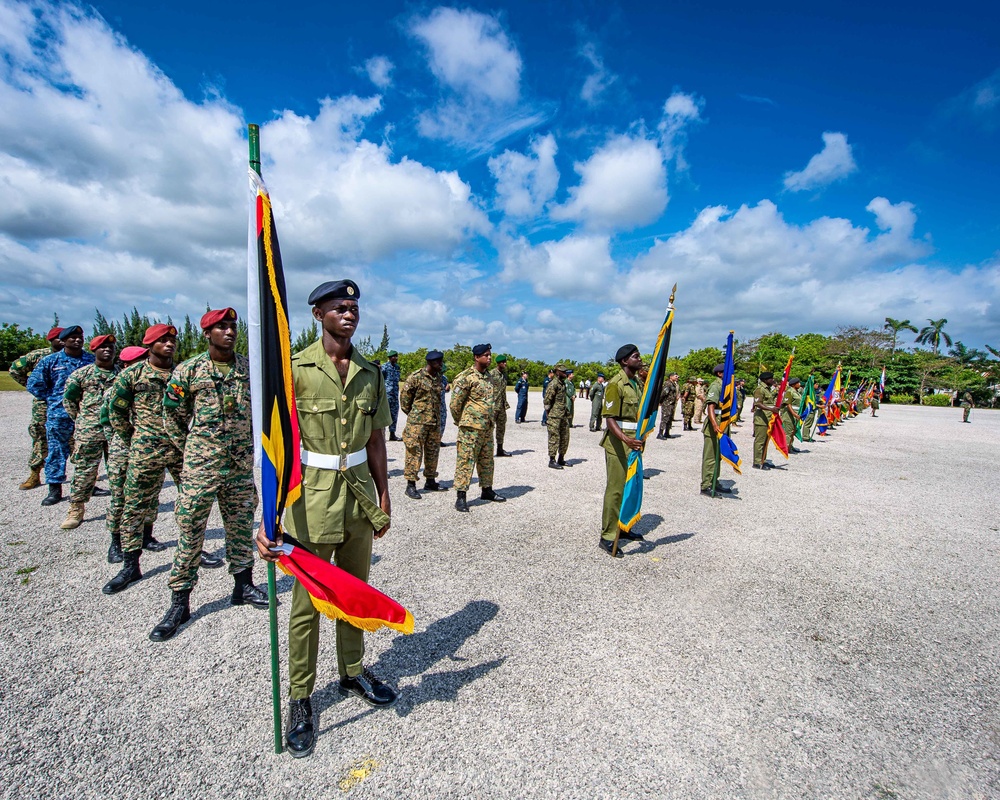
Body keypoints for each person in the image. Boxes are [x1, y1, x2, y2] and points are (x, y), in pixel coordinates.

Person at [255, 279, 396, 760]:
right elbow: (275, 448)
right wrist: (267, 516)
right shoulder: (294, 370)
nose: (349, 314)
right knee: (306, 605)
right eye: (340, 307)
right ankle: (300, 697)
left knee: (354, 592)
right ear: (318, 314)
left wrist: (384, 494)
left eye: (354, 307)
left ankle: (353, 670)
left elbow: (376, 439)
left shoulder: (370, 372)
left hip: (358, 499)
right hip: (309, 502)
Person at [149, 308, 266, 642]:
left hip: (240, 466)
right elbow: (171, 414)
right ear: (207, 333)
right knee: (191, 531)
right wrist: (192, 448)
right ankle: (180, 601)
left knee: (241, 525)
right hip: (202, 467)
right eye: (221, 328)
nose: (229, 332)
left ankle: (243, 586)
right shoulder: (189, 370)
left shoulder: (248, 368)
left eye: (232, 327)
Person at [102, 324, 184, 595]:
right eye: (162, 341)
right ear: (150, 345)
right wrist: (134, 437)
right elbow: (116, 412)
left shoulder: (182, 373)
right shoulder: (132, 375)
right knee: (135, 506)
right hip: (144, 450)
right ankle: (130, 564)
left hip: (180, 449)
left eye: (172, 340)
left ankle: (192, 550)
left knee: (192, 504)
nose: (169, 344)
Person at [102, 345, 159, 564]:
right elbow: (109, 420)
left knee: (151, 495)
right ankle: (116, 542)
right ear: (126, 365)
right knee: (121, 498)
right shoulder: (118, 386)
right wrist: (128, 438)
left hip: (150, 449)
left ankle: (146, 536)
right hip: (124, 449)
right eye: (138, 362)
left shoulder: (155, 383)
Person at [27, 326, 95, 507]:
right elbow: (34, 384)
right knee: (56, 452)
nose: (78, 340)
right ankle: (54, 489)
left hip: (85, 415)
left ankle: (88, 485)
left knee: (86, 453)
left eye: (80, 337)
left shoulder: (91, 360)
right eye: (72, 338)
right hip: (59, 415)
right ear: (63, 341)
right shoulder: (50, 361)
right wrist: (52, 398)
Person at [59, 334, 118, 530]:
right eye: (102, 347)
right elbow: (69, 401)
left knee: (120, 472)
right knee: (84, 471)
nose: (107, 350)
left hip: (116, 432)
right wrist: (83, 421)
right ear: (94, 350)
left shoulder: (122, 375)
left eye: (111, 347)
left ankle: (120, 508)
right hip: (89, 431)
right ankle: (76, 508)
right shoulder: (81, 375)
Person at [599, 345, 645, 557]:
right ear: (625, 361)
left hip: (634, 444)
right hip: (618, 444)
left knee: (629, 488)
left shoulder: (636, 383)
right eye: (636, 356)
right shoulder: (616, 384)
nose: (640, 358)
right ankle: (608, 535)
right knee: (616, 490)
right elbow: (609, 418)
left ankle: (622, 527)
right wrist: (626, 439)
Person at [450, 344, 504, 512]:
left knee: (487, 460)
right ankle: (461, 496)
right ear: (476, 357)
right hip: (470, 428)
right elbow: (454, 405)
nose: (489, 358)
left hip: (487, 427)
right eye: (486, 355)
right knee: (465, 461)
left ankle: (486, 490)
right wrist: (464, 421)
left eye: (490, 355)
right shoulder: (466, 377)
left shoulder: (489, 377)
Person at [10, 326, 63, 490]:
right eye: (59, 338)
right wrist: (34, 388)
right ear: (51, 340)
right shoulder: (38, 356)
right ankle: (35, 475)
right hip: (44, 404)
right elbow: (14, 370)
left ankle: (88, 478)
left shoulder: (75, 357)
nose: (63, 340)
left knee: (75, 439)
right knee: (40, 437)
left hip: (66, 403)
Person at [400, 350, 445, 499]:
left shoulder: (439, 377)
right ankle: (410, 485)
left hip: (434, 422)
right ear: (431, 363)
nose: (441, 364)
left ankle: (430, 481)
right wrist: (415, 416)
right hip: (417, 424)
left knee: (433, 452)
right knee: (414, 453)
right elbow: (405, 401)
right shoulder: (416, 377)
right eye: (438, 362)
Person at [700, 364, 732, 497]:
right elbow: (710, 406)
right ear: (720, 374)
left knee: (718, 455)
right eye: (727, 372)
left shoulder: (726, 387)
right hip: (716, 423)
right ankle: (706, 485)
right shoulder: (716, 386)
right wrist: (714, 424)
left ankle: (714, 480)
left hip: (723, 422)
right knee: (710, 456)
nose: (730, 374)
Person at [544, 364, 571, 469]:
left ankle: (561, 458)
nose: (565, 373)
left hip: (563, 415)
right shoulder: (553, 384)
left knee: (565, 437)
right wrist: (548, 414)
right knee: (554, 437)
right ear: (557, 372)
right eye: (563, 372)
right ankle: (552, 460)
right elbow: (547, 400)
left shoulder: (562, 384)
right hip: (554, 416)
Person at [752, 372, 779, 469]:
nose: (773, 380)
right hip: (761, 419)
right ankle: (757, 461)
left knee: (766, 440)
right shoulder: (760, 389)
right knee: (760, 441)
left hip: (768, 418)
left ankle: (763, 459)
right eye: (771, 378)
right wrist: (771, 409)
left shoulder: (769, 389)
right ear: (765, 380)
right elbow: (758, 404)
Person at [491, 354, 511, 457]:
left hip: (502, 405)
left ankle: (500, 449)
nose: (505, 364)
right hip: (493, 406)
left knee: (501, 428)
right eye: (503, 362)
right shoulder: (491, 374)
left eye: (505, 362)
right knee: (489, 428)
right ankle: (487, 451)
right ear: (499, 363)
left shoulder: (504, 375)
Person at [381, 351, 401, 441]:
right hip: (386, 395)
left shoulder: (397, 367)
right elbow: (380, 379)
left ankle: (392, 434)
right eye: (394, 357)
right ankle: (382, 435)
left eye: (396, 356)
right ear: (390, 358)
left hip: (395, 394)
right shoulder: (384, 367)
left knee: (394, 414)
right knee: (384, 414)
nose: (396, 358)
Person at [782, 378, 802, 454]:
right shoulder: (789, 392)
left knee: (793, 431)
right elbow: (788, 404)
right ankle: (786, 448)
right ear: (793, 384)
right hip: (789, 414)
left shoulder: (796, 392)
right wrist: (794, 414)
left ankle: (790, 445)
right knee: (788, 432)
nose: (799, 384)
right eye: (798, 383)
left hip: (795, 414)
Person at [657, 372, 679, 439]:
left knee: (670, 418)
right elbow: (663, 393)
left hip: (672, 403)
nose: (677, 377)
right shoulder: (667, 383)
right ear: (671, 377)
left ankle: (667, 432)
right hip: (667, 403)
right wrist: (660, 401)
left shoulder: (673, 384)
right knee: (665, 418)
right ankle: (660, 433)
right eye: (676, 376)